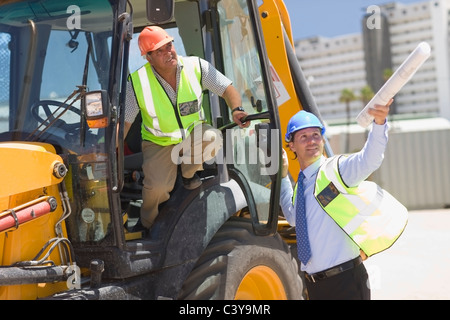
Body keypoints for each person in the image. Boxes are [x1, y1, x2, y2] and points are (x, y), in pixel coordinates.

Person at [124, 26, 249, 232]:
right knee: (156, 190)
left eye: (169, 45)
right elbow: (126, 122)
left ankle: (189, 174)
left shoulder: (196, 67)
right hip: (158, 143)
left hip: (193, 136)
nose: (168, 52)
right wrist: (112, 152)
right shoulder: (137, 82)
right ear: (148, 58)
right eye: (159, 51)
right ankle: (147, 225)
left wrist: (237, 109)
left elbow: (227, 88)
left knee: (212, 136)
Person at [279, 100, 394, 300]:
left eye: (316, 135)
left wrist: (380, 123)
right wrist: (282, 178)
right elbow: (293, 218)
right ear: (292, 145)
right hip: (315, 285)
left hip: (345, 281)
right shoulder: (302, 185)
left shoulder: (336, 170)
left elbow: (369, 160)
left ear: (323, 140)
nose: (312, 141)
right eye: (304, 136)